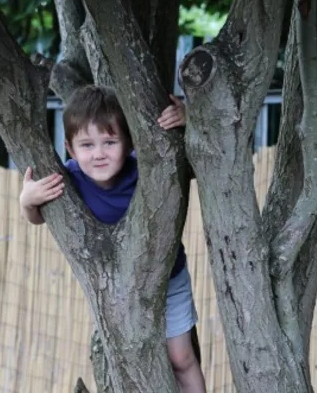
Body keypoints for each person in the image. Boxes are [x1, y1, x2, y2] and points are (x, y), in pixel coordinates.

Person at [19, 86, 206, 392]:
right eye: (87, 145)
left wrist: (191, 121)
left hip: (169, 278)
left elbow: (202, 163)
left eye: (109, 142)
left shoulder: (149, 169)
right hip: (117, 290)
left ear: (128, 141)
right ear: (70, 148)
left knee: (181, 357)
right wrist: (27, 201)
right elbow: (39, 216)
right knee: (135, 360)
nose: (99, 154)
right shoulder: (69, 180)